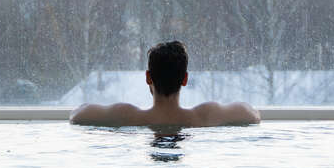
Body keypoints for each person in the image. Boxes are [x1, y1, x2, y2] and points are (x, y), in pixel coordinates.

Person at [70, 40, 260, 129]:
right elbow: (252, 115)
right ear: (185, 79)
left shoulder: (127, 116)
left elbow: (77, 115)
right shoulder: (205, 116)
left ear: (148, 78)